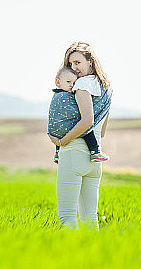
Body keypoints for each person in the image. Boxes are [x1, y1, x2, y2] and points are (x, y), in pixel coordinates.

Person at [48, 41, 112, 230]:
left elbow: (87, 121)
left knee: (67, 217)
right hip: (94, 158)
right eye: (70, 64)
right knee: (90, 218)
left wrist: (61, 141)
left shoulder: (82, 84)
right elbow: (101, 131)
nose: (74, 69)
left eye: (77, 63)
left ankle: (70, 258)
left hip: (74, 152)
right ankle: (94, 257)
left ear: (90, 63)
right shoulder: (106, 87)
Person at [49, 65, 109, 164]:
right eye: (68, 82)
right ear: (58, 82)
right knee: (85, 128)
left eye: (74, 83)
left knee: (61, 127)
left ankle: (57, 153)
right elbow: (77, 114)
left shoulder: (55, 94)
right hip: (66, 127)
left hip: (54, 130)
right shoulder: (67, 96)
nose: (72, 85)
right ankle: (95, 152)